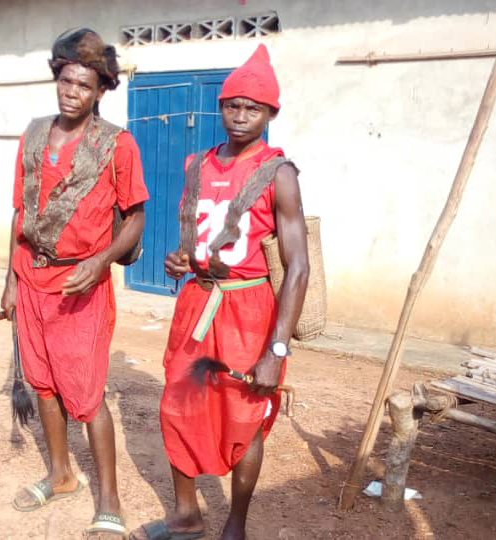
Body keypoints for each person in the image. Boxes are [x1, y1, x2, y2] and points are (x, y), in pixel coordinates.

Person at [130, 44, 309, 540]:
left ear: (271, 113)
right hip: (197, 302)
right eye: (233, 104)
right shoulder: (197, 164)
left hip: (249, 310)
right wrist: (178, 260)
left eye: (253, 108)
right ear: (221, 106)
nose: (241, 116)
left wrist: (277, 347)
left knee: (244, 412)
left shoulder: (280, 173)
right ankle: (186, 515)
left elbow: (298, 268)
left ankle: (236, 523)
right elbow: (197, 239)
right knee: (178, 405)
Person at [0, 28, 148, 539]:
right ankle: (61, 475)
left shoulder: (117, 144)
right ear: (56, 78)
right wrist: (9, 280)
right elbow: (21, 211)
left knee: (85, 394)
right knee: (43, 385)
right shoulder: (34, 133)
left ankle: (109, 499)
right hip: (31, 277)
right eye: (65, 81)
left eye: (83, 86)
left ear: (99, 91)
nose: (71, 92)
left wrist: (103, 259)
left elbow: (135, 218)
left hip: (81, 286)